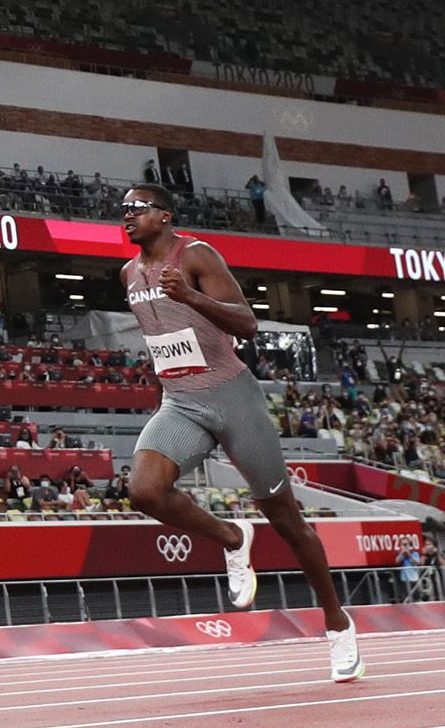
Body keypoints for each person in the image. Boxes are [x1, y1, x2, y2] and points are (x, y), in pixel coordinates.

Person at [117, 184, 361, 683]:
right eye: (123, 210)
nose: (126, 216)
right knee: (143, 490)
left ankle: (338, 625)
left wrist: (188, 294)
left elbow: (248, 325)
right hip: (180, 402)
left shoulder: (197, 255)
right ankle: (232, 537)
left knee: (288, 520)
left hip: (232, 399)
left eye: (137, 209)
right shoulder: (128, 273)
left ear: (165, 215)